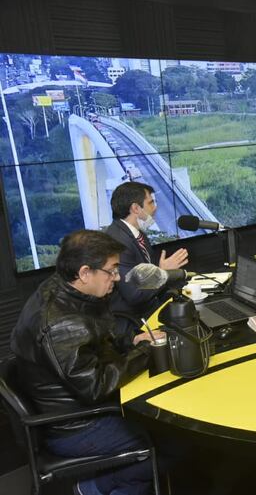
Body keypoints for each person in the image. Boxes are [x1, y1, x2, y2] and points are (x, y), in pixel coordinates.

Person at [10, 230, 159, 495]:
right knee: (171, 441)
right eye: (112, 270)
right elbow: (97, 386)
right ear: (84, 272)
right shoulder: (62, 323)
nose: (118, 277)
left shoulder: (63, 289)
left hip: (72, 410)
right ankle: (92, 488)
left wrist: (131, 343)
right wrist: (148, 351)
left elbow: (98, 340)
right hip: (77, 426)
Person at [106, 181, 188, 332]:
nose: (155, 208)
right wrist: (162, 272)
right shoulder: (117, 241)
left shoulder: (137, 234)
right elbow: (134, 294)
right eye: (150, 203)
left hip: (149, 308)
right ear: (136, 208)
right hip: (132, 324)